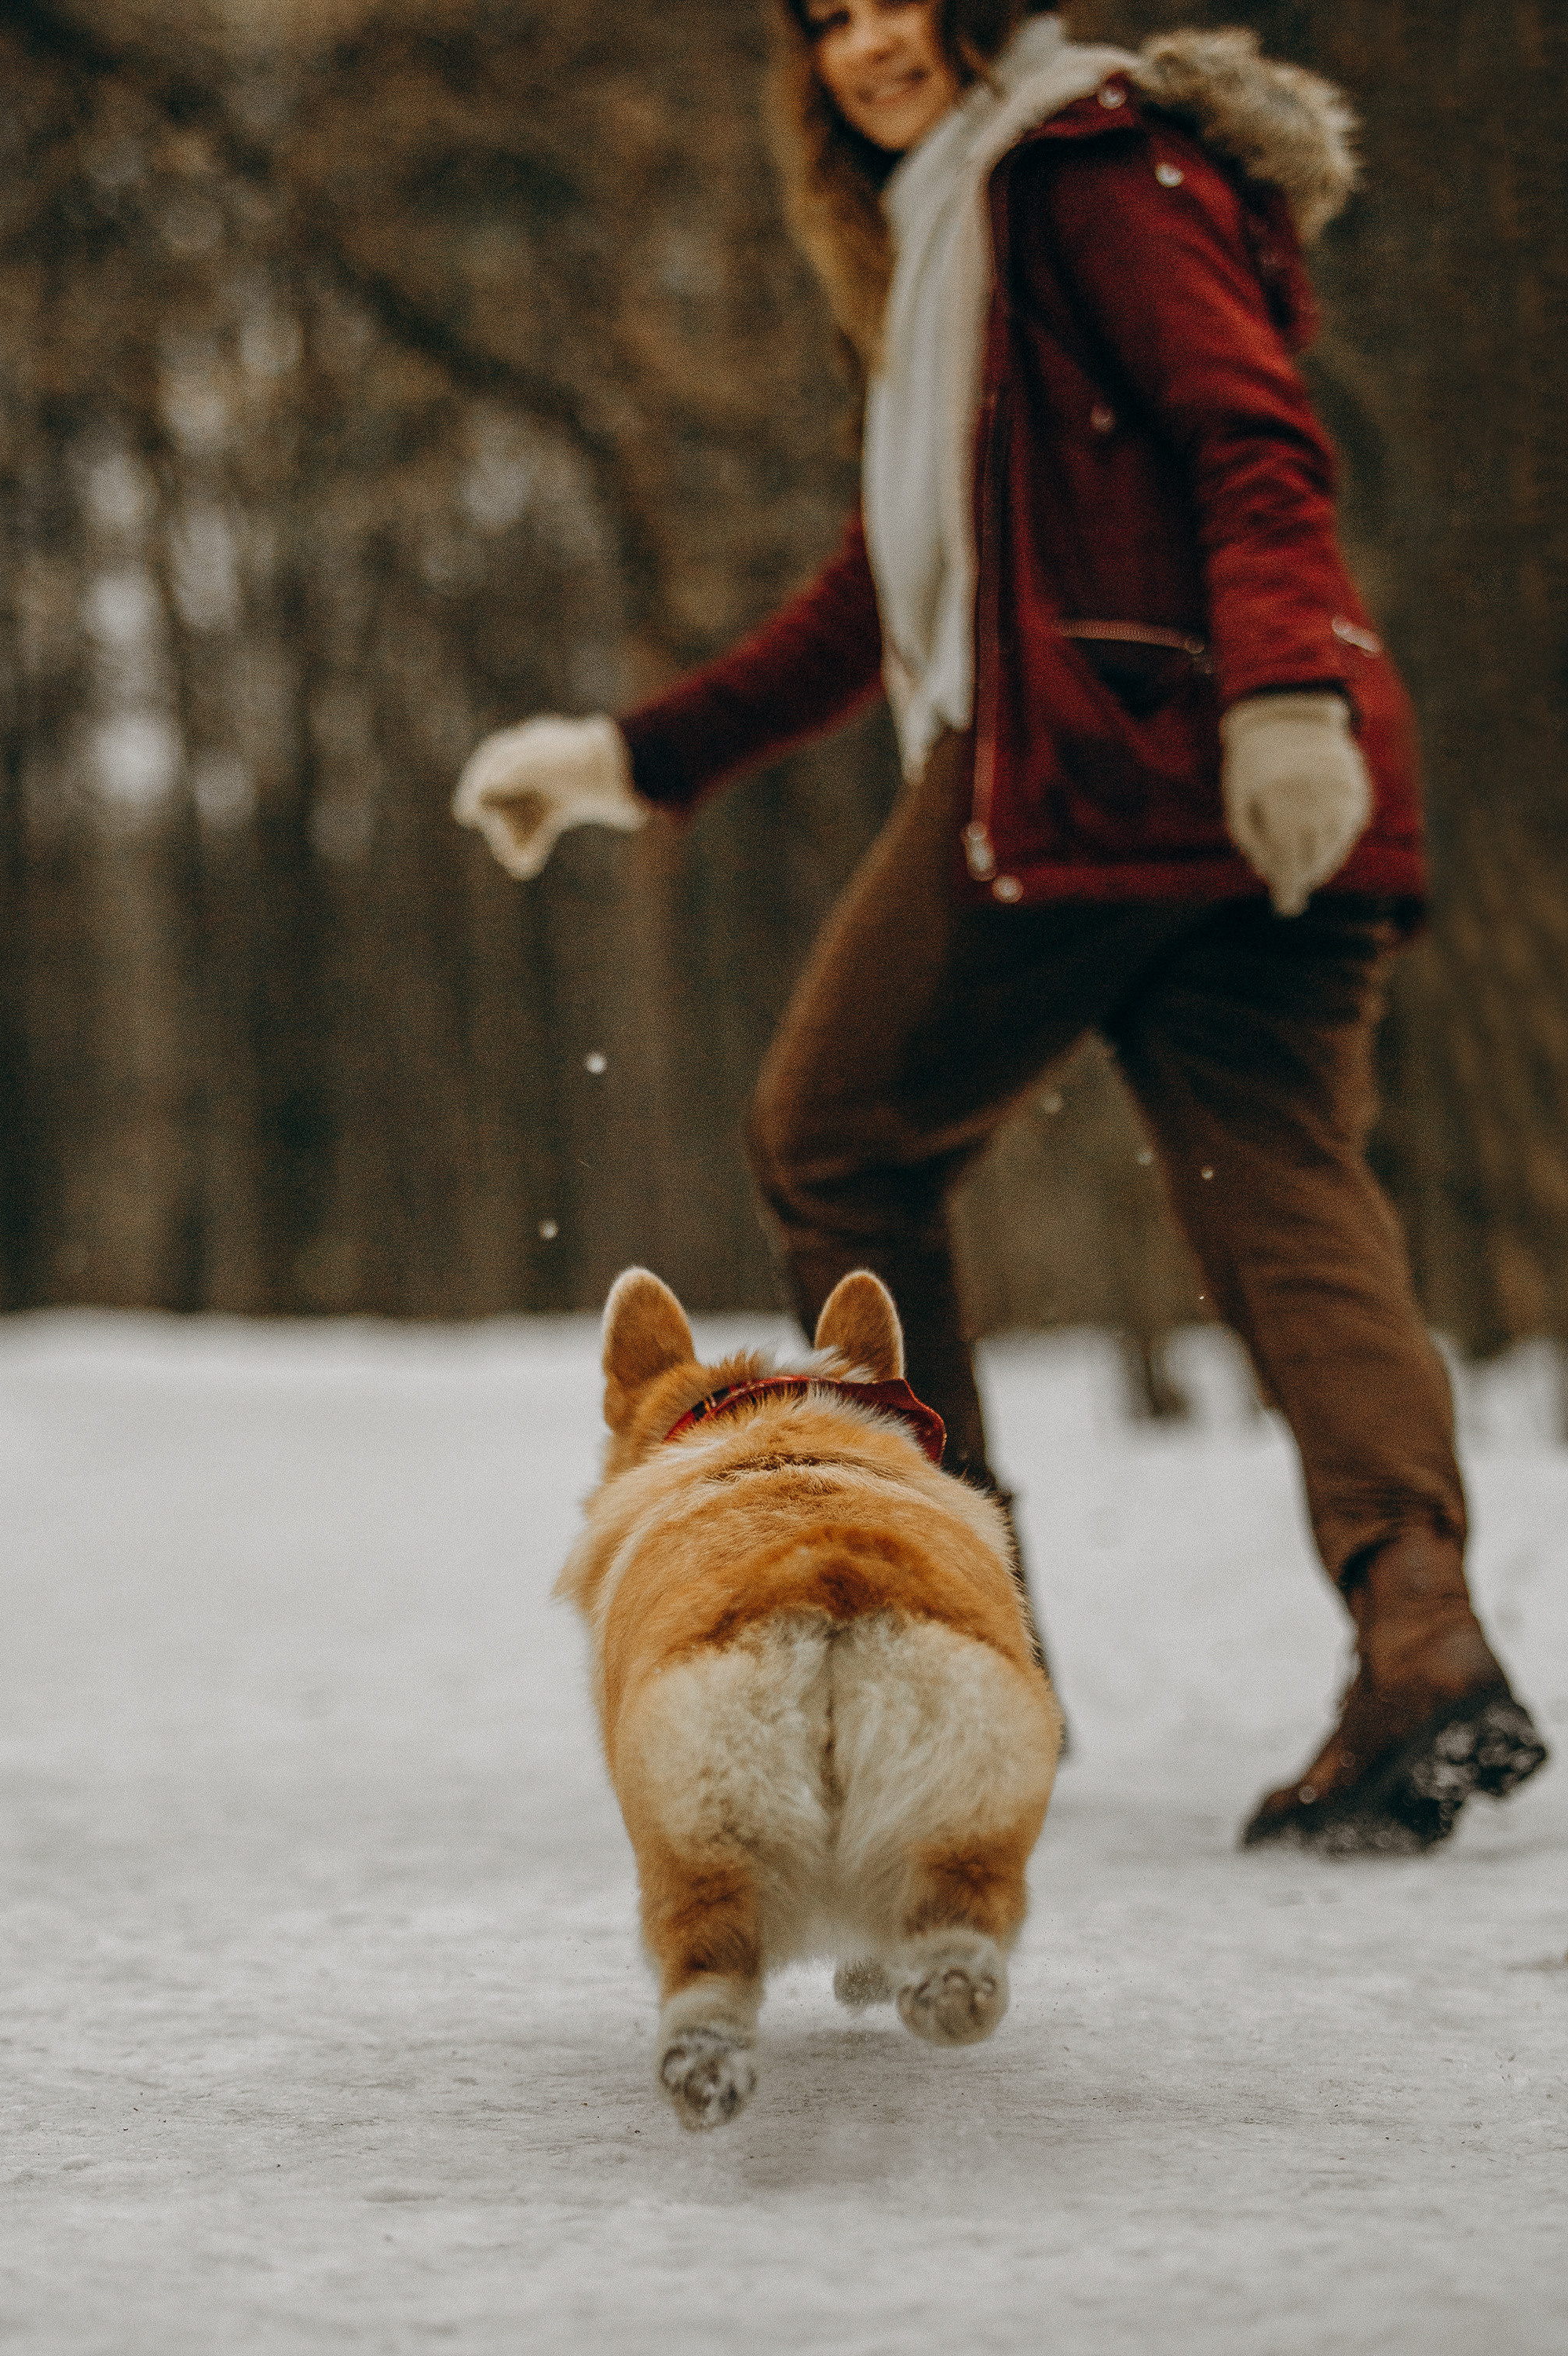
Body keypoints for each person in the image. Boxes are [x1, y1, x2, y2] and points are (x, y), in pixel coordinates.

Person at [454, 3, 1548, 1853]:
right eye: (827, 19)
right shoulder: (973, 225)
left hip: (1118, 758)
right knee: (1289, 1194)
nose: (868, 40)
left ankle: (961, 1640)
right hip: (1231, 764)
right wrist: (632, 756)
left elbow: (1252, 436)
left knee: (832, 1134)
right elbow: (879, 587)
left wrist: (1279, 696)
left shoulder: (1078, 174)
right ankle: (1419, 1640)